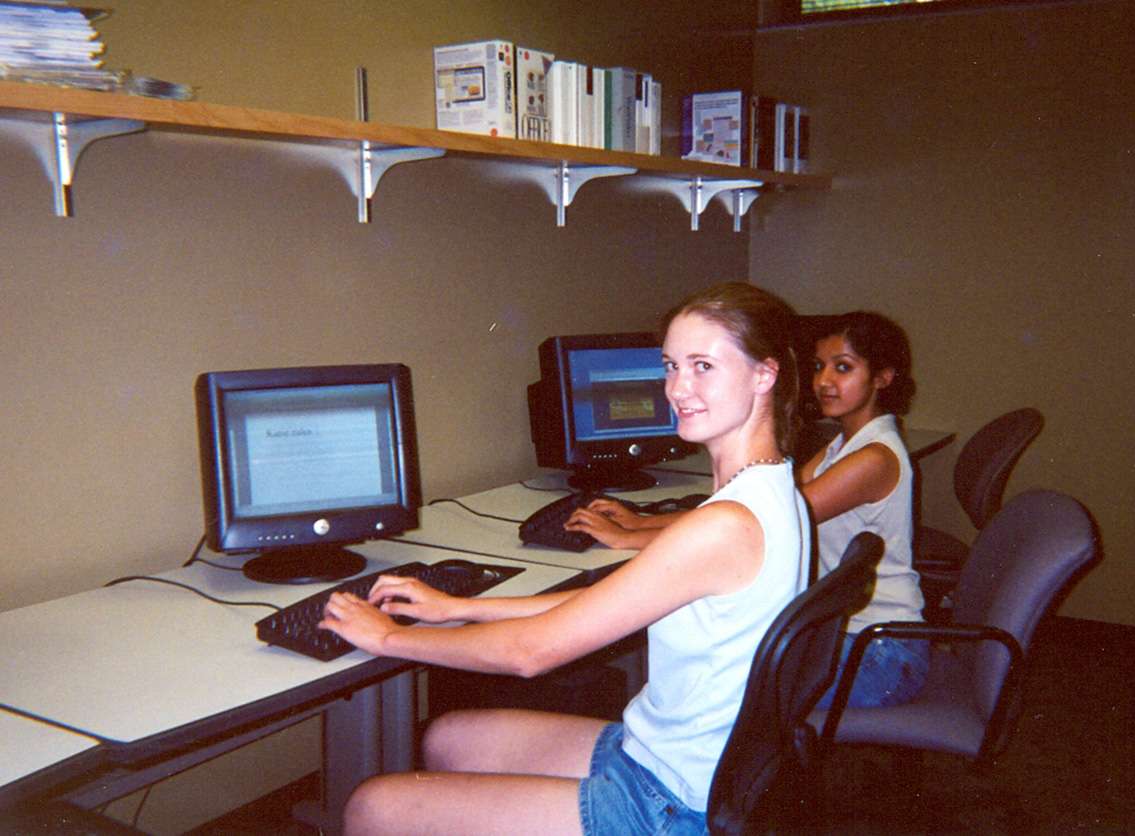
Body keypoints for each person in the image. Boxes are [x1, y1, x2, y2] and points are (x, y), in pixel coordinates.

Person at [319, 281, 810, 835]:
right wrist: (456, 606)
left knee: (371, 807)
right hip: (666, 754)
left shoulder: (724, 525)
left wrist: (388, 638)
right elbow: (605, 602)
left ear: (764, 375)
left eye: (703, 367)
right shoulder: (769, 489)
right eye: (671, 365)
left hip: (670, 803)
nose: (677, 388)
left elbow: (533, 653)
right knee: (447, 738)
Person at [571, 310, 927, 710]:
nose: (824, 381)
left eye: (843, 368)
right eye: (818, 367)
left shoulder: (873, 458)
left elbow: (767, 520)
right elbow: (749, 506)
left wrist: (631, 538)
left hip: (880, 655)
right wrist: (643, 520)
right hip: (848, 635)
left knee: (722, 683)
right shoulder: (844, 444)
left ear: (883, 377)